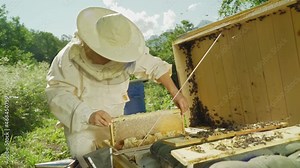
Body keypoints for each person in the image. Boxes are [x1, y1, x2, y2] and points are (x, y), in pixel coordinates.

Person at [45, 7, 189, 167]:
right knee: (90, 164)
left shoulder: (126, 51)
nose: (114, 59)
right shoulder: (67, 59)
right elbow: (56, 93)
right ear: (93, 44)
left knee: (122, 163)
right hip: (83, 129)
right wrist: (88, 114)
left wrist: (176, 93)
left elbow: (154, 66)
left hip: (115, 125)